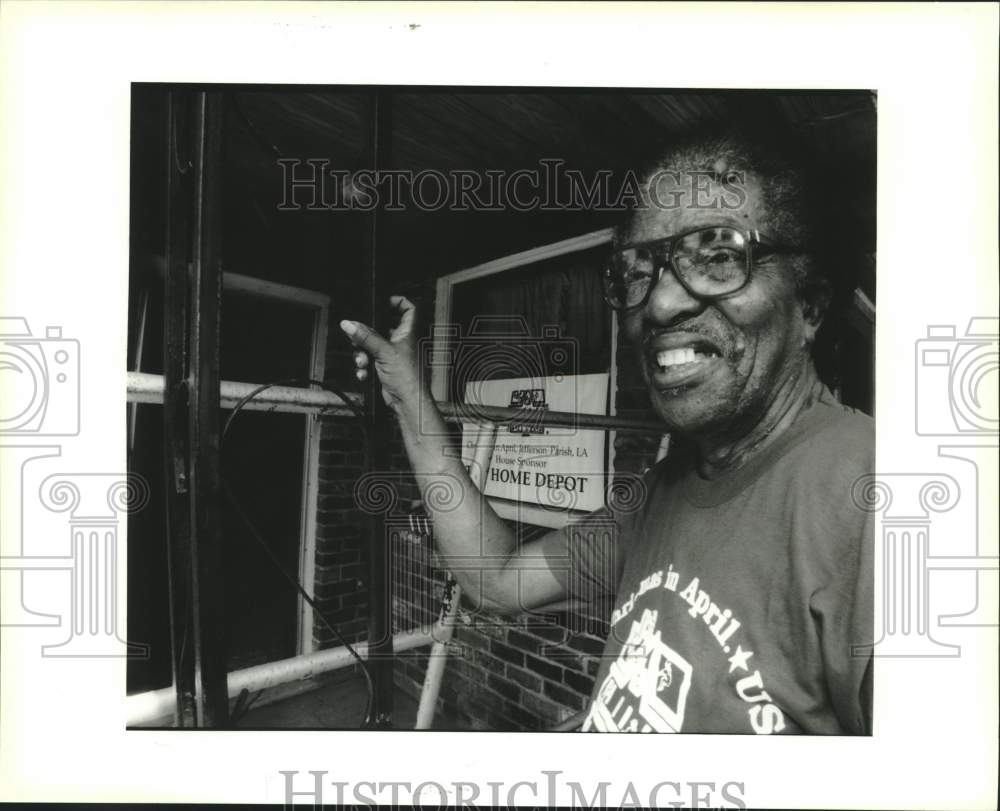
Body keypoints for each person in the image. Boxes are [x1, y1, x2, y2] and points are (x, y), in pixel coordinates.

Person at [339, 131, 874, 735]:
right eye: (636, 270)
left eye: (719, 254)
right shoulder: (663, 492)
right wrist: (409, 393)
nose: (662, 303)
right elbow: (495, 578)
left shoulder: (877, 496)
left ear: (810, 306)